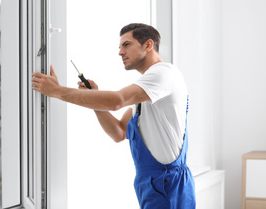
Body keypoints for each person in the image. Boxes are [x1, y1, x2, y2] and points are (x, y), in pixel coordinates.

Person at [32, 23, 196, 208]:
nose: (120, 52)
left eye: (126, 45)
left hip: (167, 185)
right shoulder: (147, 92)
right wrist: (94, 98)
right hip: (152, 184)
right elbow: (118, 132)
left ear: (148, 45)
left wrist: (57, 91)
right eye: (119, 47)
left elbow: (116, 101)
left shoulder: (163, 74)